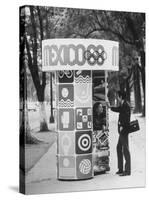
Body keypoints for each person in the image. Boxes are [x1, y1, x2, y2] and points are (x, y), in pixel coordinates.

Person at [110, 91, 131, 176]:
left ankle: (127, 171)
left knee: (125, 150)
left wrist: (122, 126)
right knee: (119, 148)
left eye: (117, 96)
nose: (117, 98)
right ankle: (121, 169)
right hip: (122, 129)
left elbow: (126, 118)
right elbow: (118, 109)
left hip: (124, 130)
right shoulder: (123, 104)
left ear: (121, 96)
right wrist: (110, 107)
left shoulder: (126, 105)